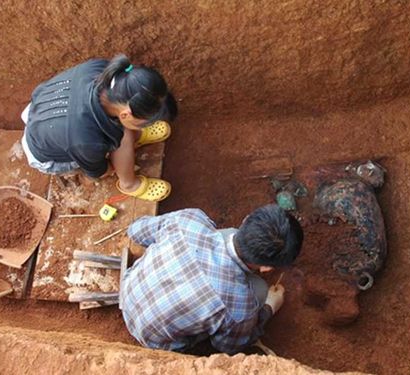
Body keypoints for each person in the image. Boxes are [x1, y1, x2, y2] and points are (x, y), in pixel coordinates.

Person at [120, 204, 304, 354]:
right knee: (260, 290)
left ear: (246, 219)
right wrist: (268, 308)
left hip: (127, 293)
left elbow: (136, 230)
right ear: (266, 267)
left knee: (224, 233)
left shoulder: (189, 220)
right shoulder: (238, 306)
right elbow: (229, 347)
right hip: (156, 343)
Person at [20, 54, 177, 201]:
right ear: (126, 114)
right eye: (144, 122)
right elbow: (101, 171)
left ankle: (135, 137)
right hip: (47, 156)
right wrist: (119, 163)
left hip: (45, 114)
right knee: (122, 140)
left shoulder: (104, 70)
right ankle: (129, 185)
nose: (146, 124)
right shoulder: (85, 140)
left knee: (122, 135)